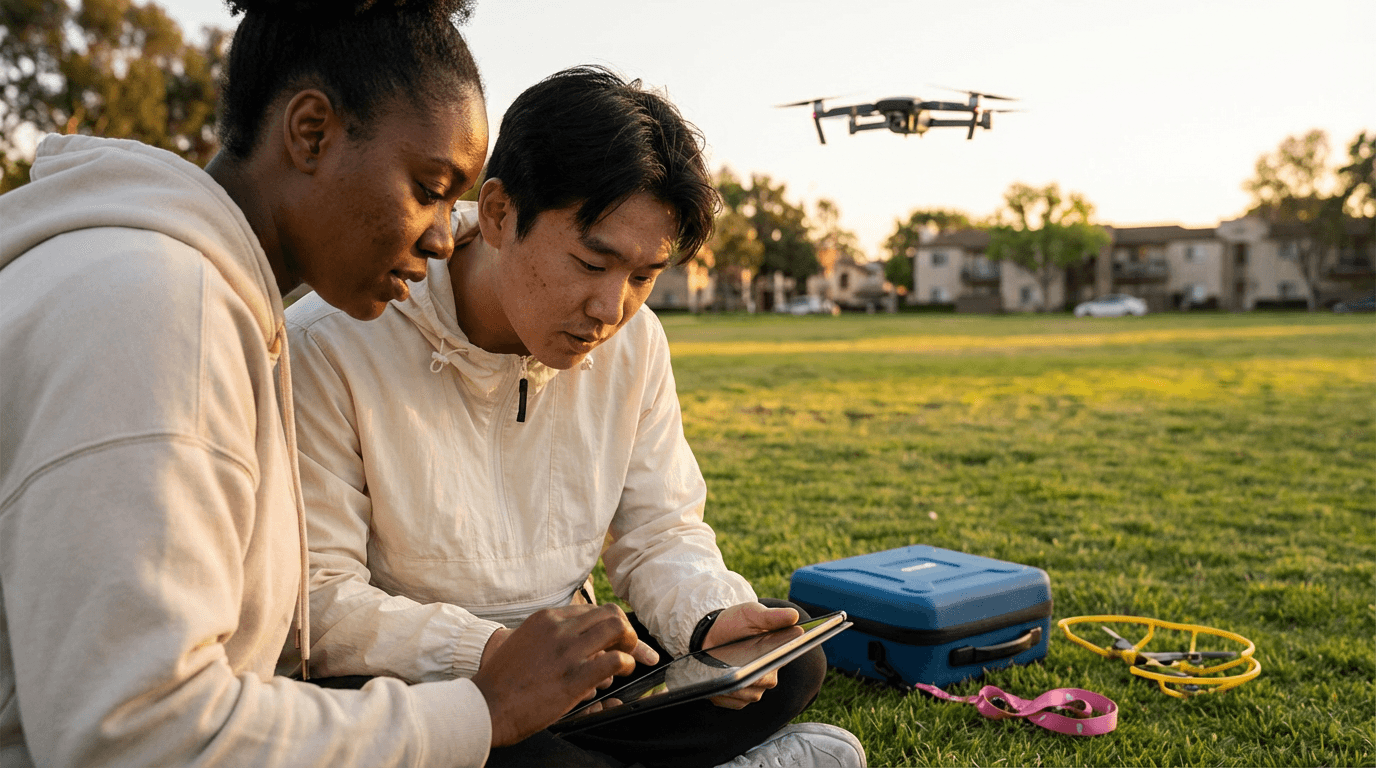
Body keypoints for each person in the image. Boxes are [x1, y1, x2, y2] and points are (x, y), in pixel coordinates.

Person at [0, 3, 643, 766]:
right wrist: (482, 710)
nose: (445, 236)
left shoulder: (186, 292)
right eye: (428, 187)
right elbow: (138, 733)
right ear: (311, 133)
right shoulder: (160, 308)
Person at [286, 65, 868, 768]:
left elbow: (660, 529)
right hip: (427, 682)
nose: (611, 309)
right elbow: (319, 602)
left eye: (644, 276)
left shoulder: (637, 341)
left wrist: (708, 618)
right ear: (499, 213)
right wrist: (494, 657)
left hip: (577, 675)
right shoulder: (334, 340)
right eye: (592, 263)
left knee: (786, 658)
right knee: (452, 739)